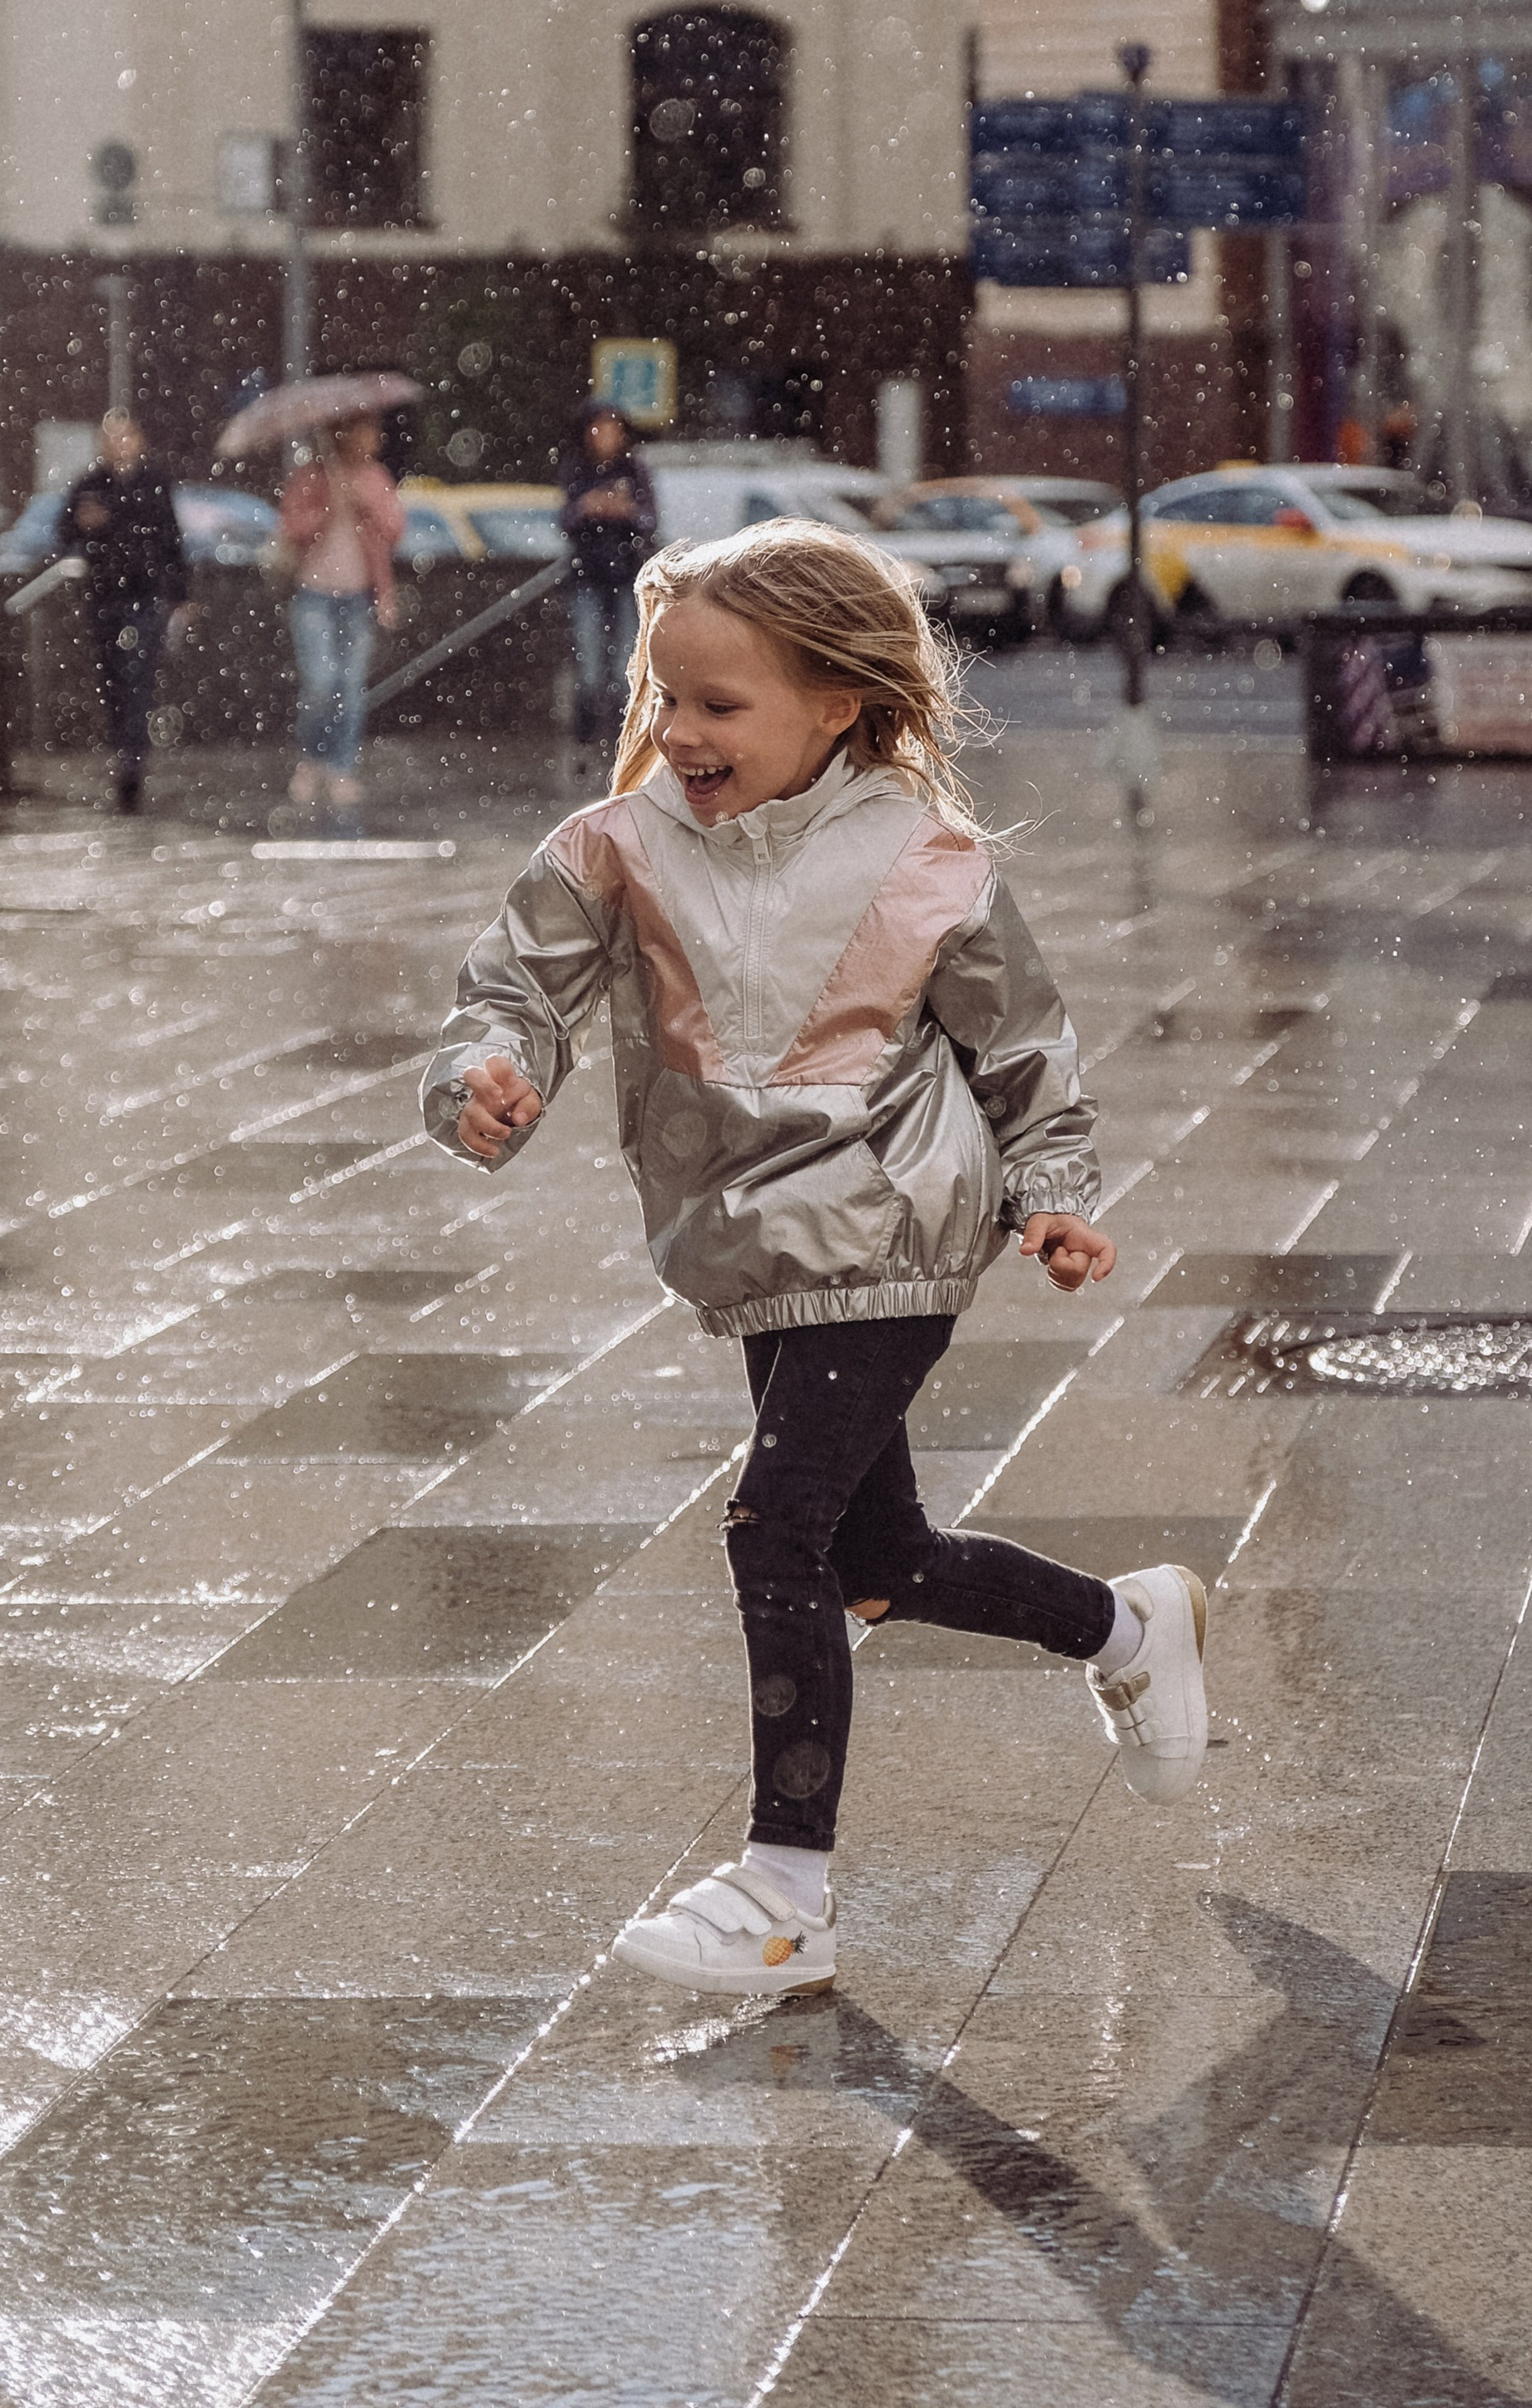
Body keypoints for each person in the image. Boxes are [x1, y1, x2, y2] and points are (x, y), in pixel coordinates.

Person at [423, 520, 1208, 2003]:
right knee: (878, 1559)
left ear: (837, 702)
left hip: (896, 1210)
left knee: (775, 1530)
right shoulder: (617, 844)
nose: (681, 731)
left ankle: (786, 1891)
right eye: (666, 698)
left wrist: (1048, 1189)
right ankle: (1126, 1622)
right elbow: (511, 988)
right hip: (752, 1231)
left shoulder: (927, 860)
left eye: (722, 704)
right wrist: (485, 1074)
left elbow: (1019, 1040)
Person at [57, 413, 190, 813]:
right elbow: (64, 533)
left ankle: (131, 764)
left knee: (137, 678)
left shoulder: (154, 483)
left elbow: (170, 538)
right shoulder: (90, 485)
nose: (119, 445)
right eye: (111, 438)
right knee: (114, 680)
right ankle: (125, 753)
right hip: (105, 597)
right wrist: (84, 526)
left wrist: (180, 592)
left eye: (126, 436)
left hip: (144, 595)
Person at [274, 414, 404, 816]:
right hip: (314, 595)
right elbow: (291, 528)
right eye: (367, 431)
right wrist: (329, 506)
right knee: (320, 681)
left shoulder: (375, 476)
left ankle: (341, 766)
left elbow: (395, 528)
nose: (375, 439)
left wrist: (365, 504)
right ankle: (312, 758)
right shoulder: (313, 476)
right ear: (344, 434)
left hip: (359, 597)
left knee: (350, 686)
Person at [560, 402, 658, 748]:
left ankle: (622, 736)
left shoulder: (634, 470)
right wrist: (588, 506)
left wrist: (625, 510)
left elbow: (650, 521)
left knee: (624, 665)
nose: (604, 437)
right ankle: (585, 737)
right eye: (597, 429)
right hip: (588, 575)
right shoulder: (579, 470)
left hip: (626, 577)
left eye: (611, 429)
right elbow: (566, 520)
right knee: (587, 664)